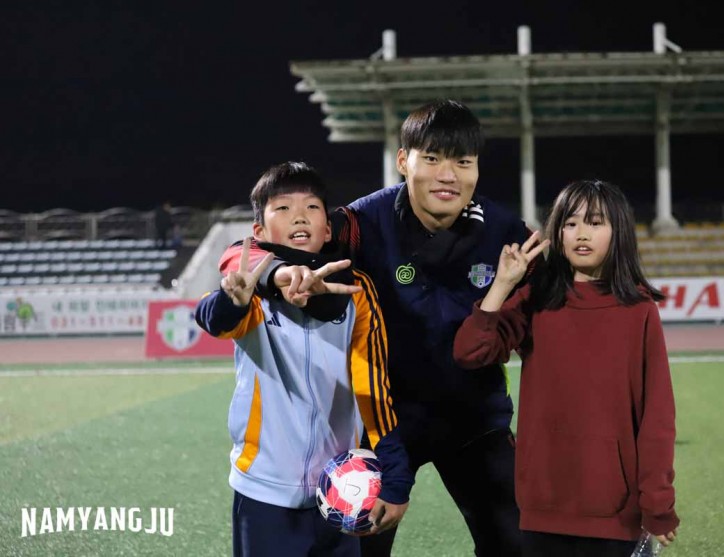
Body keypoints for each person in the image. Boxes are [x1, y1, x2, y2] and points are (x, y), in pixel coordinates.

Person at [223, 101, 531, 556]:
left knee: (517, 543)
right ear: (403, 161)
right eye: (432, 158)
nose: (448, 175)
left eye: (463, 162)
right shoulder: (362, 222)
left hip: (474, 419)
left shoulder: (506, 231)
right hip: (383, 422)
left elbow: (557, 294)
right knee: (362, 547)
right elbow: (247, 250)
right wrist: (277, 274)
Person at [194, 162, 413, 557]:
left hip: (343, 487)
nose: (299, 216)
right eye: (282, 208)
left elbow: (374, 388)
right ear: (259, 232)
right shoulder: (252, 291)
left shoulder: (357, 291)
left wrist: (396, 476)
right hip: (263, 489)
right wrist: (232, 300)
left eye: (311, 207)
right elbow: (211, 318)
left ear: (327, 229)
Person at [453, 180, 679, 557]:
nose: (581, 233)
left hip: (615, 512)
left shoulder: (639, 310)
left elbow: (656, 415)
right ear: (557, 232)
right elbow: (470, 352)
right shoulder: (537, 299)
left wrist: (657, 499)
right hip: (541, 507)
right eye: (570, 223)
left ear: (619, 231)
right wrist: (503, 285)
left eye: (595, 222)